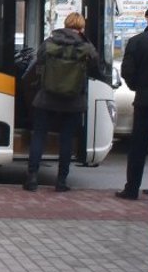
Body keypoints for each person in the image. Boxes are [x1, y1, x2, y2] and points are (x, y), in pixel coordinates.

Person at [22, 12, 102, 192]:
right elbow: (96, 69)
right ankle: (61, 181)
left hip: (46, 98)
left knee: (39, 136)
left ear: (65, 25)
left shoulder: (49, 43)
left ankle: (32, 177)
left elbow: (39, 63)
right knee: (66, 140)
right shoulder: (86, 47)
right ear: (81, 28)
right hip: (73, 100)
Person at [117, 3, 148, 200]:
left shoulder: (137, 41)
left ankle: (131, 188)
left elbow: (127, 71)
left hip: (144, 100)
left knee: (138, 146)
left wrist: (137, 87)